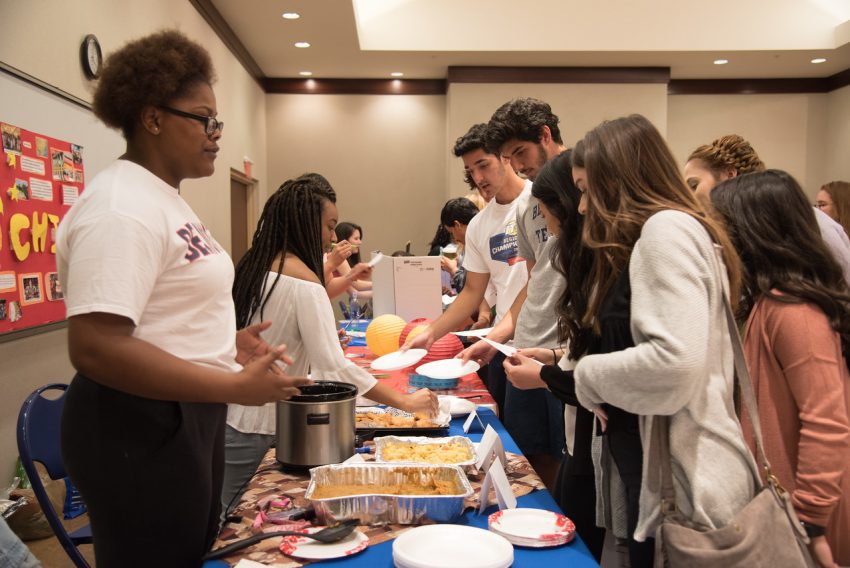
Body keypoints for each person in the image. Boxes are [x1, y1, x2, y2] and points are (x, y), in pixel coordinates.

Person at [56, 30, 309, 567]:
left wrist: (223, 341)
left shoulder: (162, 198)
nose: (215, 133)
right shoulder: (121, 207)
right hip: (137, 423)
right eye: (204, 118)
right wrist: (233, 383)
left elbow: (162, 310)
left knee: (189, 551)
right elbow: (96, 346)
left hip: (178, 412)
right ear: (152, 118)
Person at [571, 115, 758, 555]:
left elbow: (675, 363)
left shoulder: (664, 231)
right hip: (671, 465)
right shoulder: (676, 228)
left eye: (585, 190)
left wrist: (588, 377)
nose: (582, 208)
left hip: (686, 475)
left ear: (617, 180)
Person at [225, 174, 438, 507]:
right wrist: (406, 403)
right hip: (263, 425)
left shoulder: (259, 262)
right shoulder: (304, 282)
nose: (331, 238)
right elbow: (335, 369)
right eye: (329, 226)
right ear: (306, 223)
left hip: (236, 416)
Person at [711, 169, 850, 567]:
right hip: (782, 503)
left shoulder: (794, 310)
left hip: (803, 513)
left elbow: (827, 422)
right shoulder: (770, 302)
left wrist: (811, 520)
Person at [499, 152, 606, 560]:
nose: (580, 206)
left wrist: (547, 374)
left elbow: (603, 365)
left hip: (598, 430)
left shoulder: (597, 262)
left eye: (584, 194)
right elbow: (588, 350)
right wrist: (552, 355)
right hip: (579, 416)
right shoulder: (569, 251)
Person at [462, 97, 568, 487]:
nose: (518, 164)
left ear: (545, 135)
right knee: (529, 452)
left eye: (519, 152)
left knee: (568, 458)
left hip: (565, 350)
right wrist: (499, 337)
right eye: (509, 156)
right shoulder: (529, 209)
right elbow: (533, 281)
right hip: (527, 343)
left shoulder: (575, 192)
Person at [403, 123, 529, 417]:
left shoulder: (537, 202)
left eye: (483, 165)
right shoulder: (479, 226)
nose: (478, 178)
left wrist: (499, 332)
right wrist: (432, 333)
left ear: (506, 158)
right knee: (525, 443)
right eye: (471, 170)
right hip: (505, 344)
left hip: (547, 341)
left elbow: (539, 281)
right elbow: (472, 292)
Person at [685, 135, 850, 283]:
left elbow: (844, 283)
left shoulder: (808, 220)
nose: (689, 197)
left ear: (729, 175)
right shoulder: (733, 230)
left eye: (694, 185)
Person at [439, 197, 480, 295]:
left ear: (457, 225)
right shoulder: (477, 240)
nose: (454, 238)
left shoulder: (477, 245)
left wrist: (453, 270)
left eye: (451, 232)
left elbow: (474, 288)